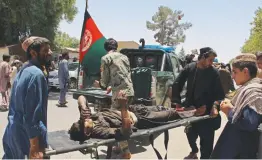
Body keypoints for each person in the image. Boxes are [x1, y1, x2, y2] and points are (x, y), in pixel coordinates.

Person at [2, 36, 51, 159]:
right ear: (33, 53)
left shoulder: (24, 70)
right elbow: (32, 115)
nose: (50, 53)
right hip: (27, 138)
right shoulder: (36, 74)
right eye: (45, 51)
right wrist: (34, 147)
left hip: (13, 132)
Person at [171, 47, 225, 159]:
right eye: (210, 59)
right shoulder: (190, 68)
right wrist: (177, 102)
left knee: (207, 141)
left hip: (207, 113)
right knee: (190, 134)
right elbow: (177, 83)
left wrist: (215, 106)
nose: (212, 63)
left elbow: (220, 95)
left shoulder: (214, 72)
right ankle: (194, 151)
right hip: (191, 110)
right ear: (203, 57)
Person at [211, 53, 262, 159]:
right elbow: (229, 98)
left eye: (235, 72)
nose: (232, 76)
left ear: (246, 71)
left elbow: (249, 124)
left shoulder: (253, 92)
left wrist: (229, 111)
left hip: (242, 152)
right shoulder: (245, 88)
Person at [94, 38, 134, 110]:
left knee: (115, 116)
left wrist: (99, 84)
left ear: (105, 48)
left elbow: (104, 81)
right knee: (125, 115)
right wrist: (111, 86)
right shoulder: (125, 57)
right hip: (130, 91)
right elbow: (123, 74)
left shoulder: (106, 58)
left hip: (119, 94)